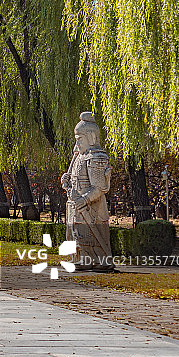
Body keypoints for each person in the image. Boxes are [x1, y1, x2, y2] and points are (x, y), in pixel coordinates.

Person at [61, 112, 114, 271]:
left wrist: (84, 199)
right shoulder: (79, 156)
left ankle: (100, 261)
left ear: (91, 137)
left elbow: (100, 187)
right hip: (76, 204)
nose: (77, 144)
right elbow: (74, 178)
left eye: (79, 139)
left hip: (90, 207)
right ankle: (81, 259)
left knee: (91, 235)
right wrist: (66, 180)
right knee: (77, 234)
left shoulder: (96, 157)